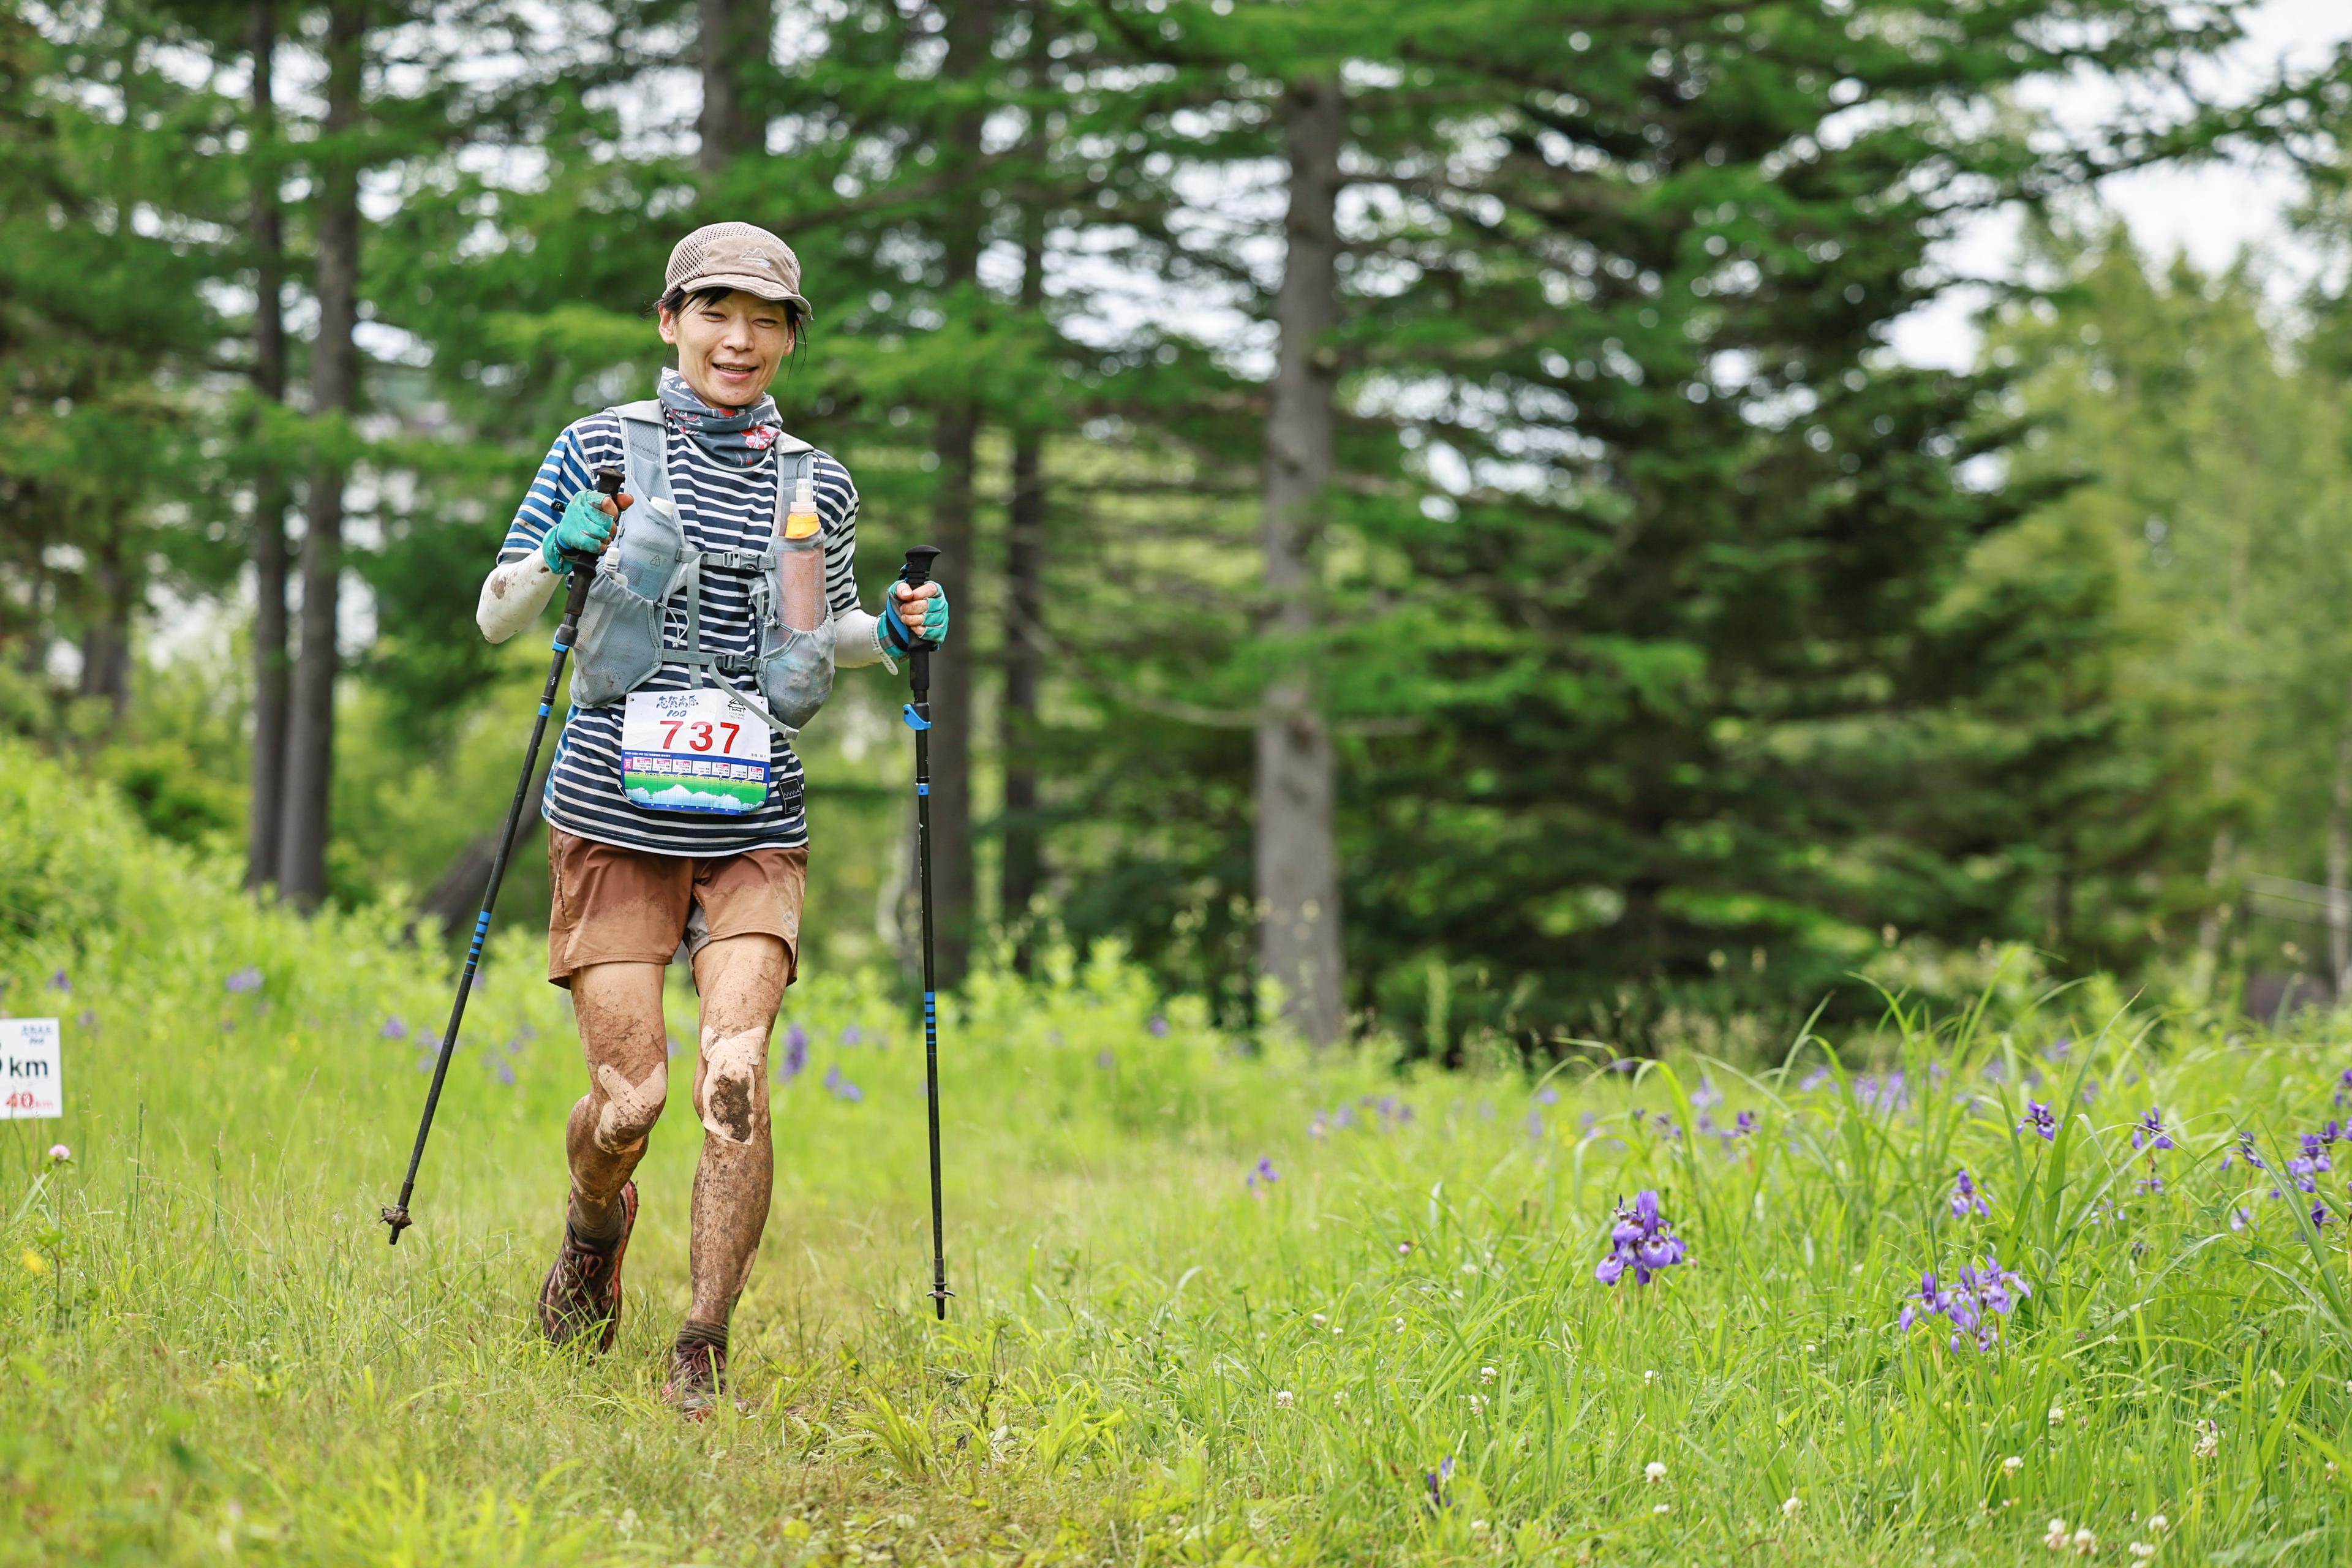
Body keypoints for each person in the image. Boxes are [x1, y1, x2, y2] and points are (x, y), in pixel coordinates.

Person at [473, 221, 948, 1417]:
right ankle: (594, 1230)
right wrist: (560, 556)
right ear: (671, 318)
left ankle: (703, 1338)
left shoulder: (816, 480)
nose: (740, 338)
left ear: (789, 336)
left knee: (735, 1070)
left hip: (753, 818)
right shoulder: (596, 447)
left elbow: (823, 628)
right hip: (610, 806)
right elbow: (496, 611)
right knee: (628, 1101)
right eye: (717, 311)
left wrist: (890, 633)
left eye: (768, 318)